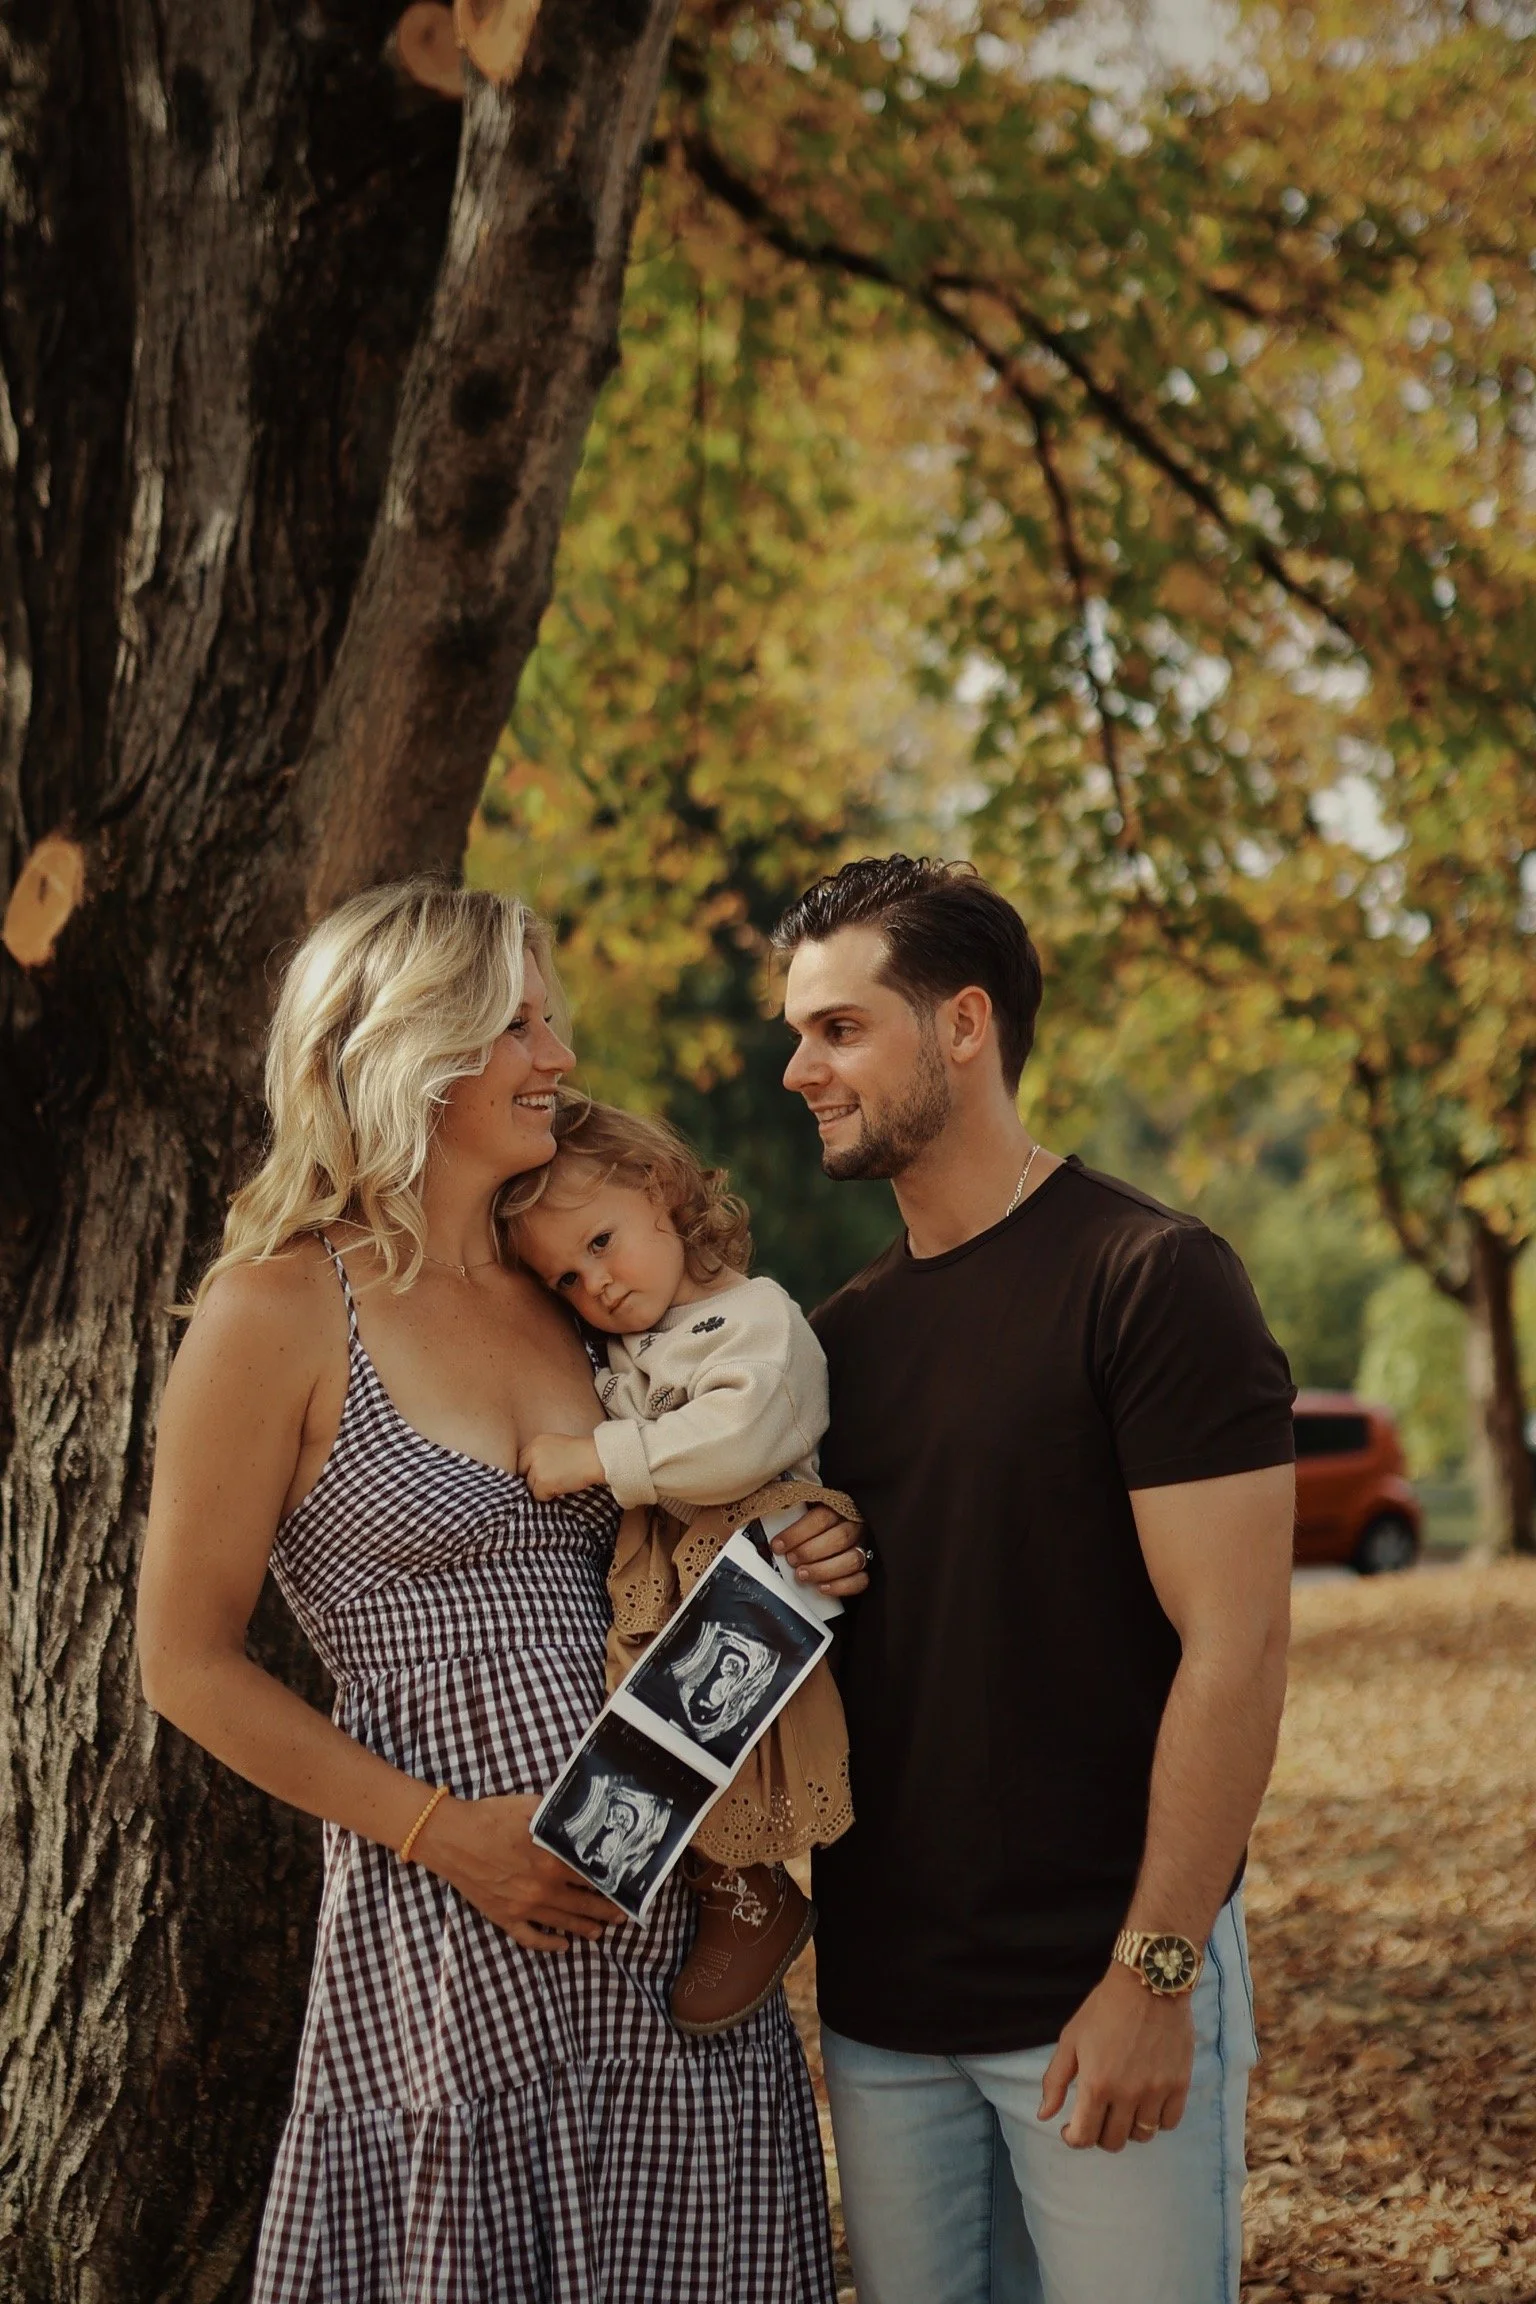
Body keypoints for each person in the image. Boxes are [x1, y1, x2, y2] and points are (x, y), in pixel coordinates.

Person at [136, 881, 862, 2304]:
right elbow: (186, 1666)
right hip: (454, 1920)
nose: (559, 1058)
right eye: (520, 1024)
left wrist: (801, 1551)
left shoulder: (576, 1298)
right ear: (413, 1046)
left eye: (553, 1022)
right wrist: (442, 1833)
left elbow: (682, 1528)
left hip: (664, 1905)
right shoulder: (277, 1309)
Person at [773, 855, 1297, 2304]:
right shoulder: (837, 1348)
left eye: (838, 1028)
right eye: (796, 1032)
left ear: (965, 1025)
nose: (797, 1068)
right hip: (885, 2018)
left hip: (1097, 1990)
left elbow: (1236, 1653)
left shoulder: (1152, 1279)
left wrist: (1155, 1978)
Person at [505, 1100, 859, 2035]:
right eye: (569, 1278)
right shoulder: (628, 1338)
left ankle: (749, 1892)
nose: (598, 1285)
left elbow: (736, 1441)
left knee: (706, 1728)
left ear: (662, 1189)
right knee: (653, 1719)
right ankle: (700, 1876)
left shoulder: (757, 1319)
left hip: (754, 1568)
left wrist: (595, 1458)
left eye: (603, 1242)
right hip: (662, 1576)